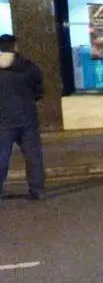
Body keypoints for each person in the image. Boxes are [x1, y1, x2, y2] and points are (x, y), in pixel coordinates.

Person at [0, 34, 46, 200]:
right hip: (27, 117)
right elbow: (39, 90)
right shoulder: (28, 67)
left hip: (3, 120)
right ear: (15, 46)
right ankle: (37, 189)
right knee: (33, 155)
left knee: (2, 155)